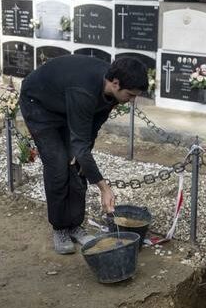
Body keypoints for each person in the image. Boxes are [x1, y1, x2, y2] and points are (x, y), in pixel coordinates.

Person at [19, 55, 148, 254]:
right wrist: (104, 188)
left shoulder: (111, 90)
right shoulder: (84, 91)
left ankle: (75, 225)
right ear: (115, 83)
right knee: (57, 165)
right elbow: (80, 143)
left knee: (78, 166)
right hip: (40, 106)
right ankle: (60, 228)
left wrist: (83, 152)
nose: (132, 101)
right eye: (130, 95)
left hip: (66, 105)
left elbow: (93, 126)